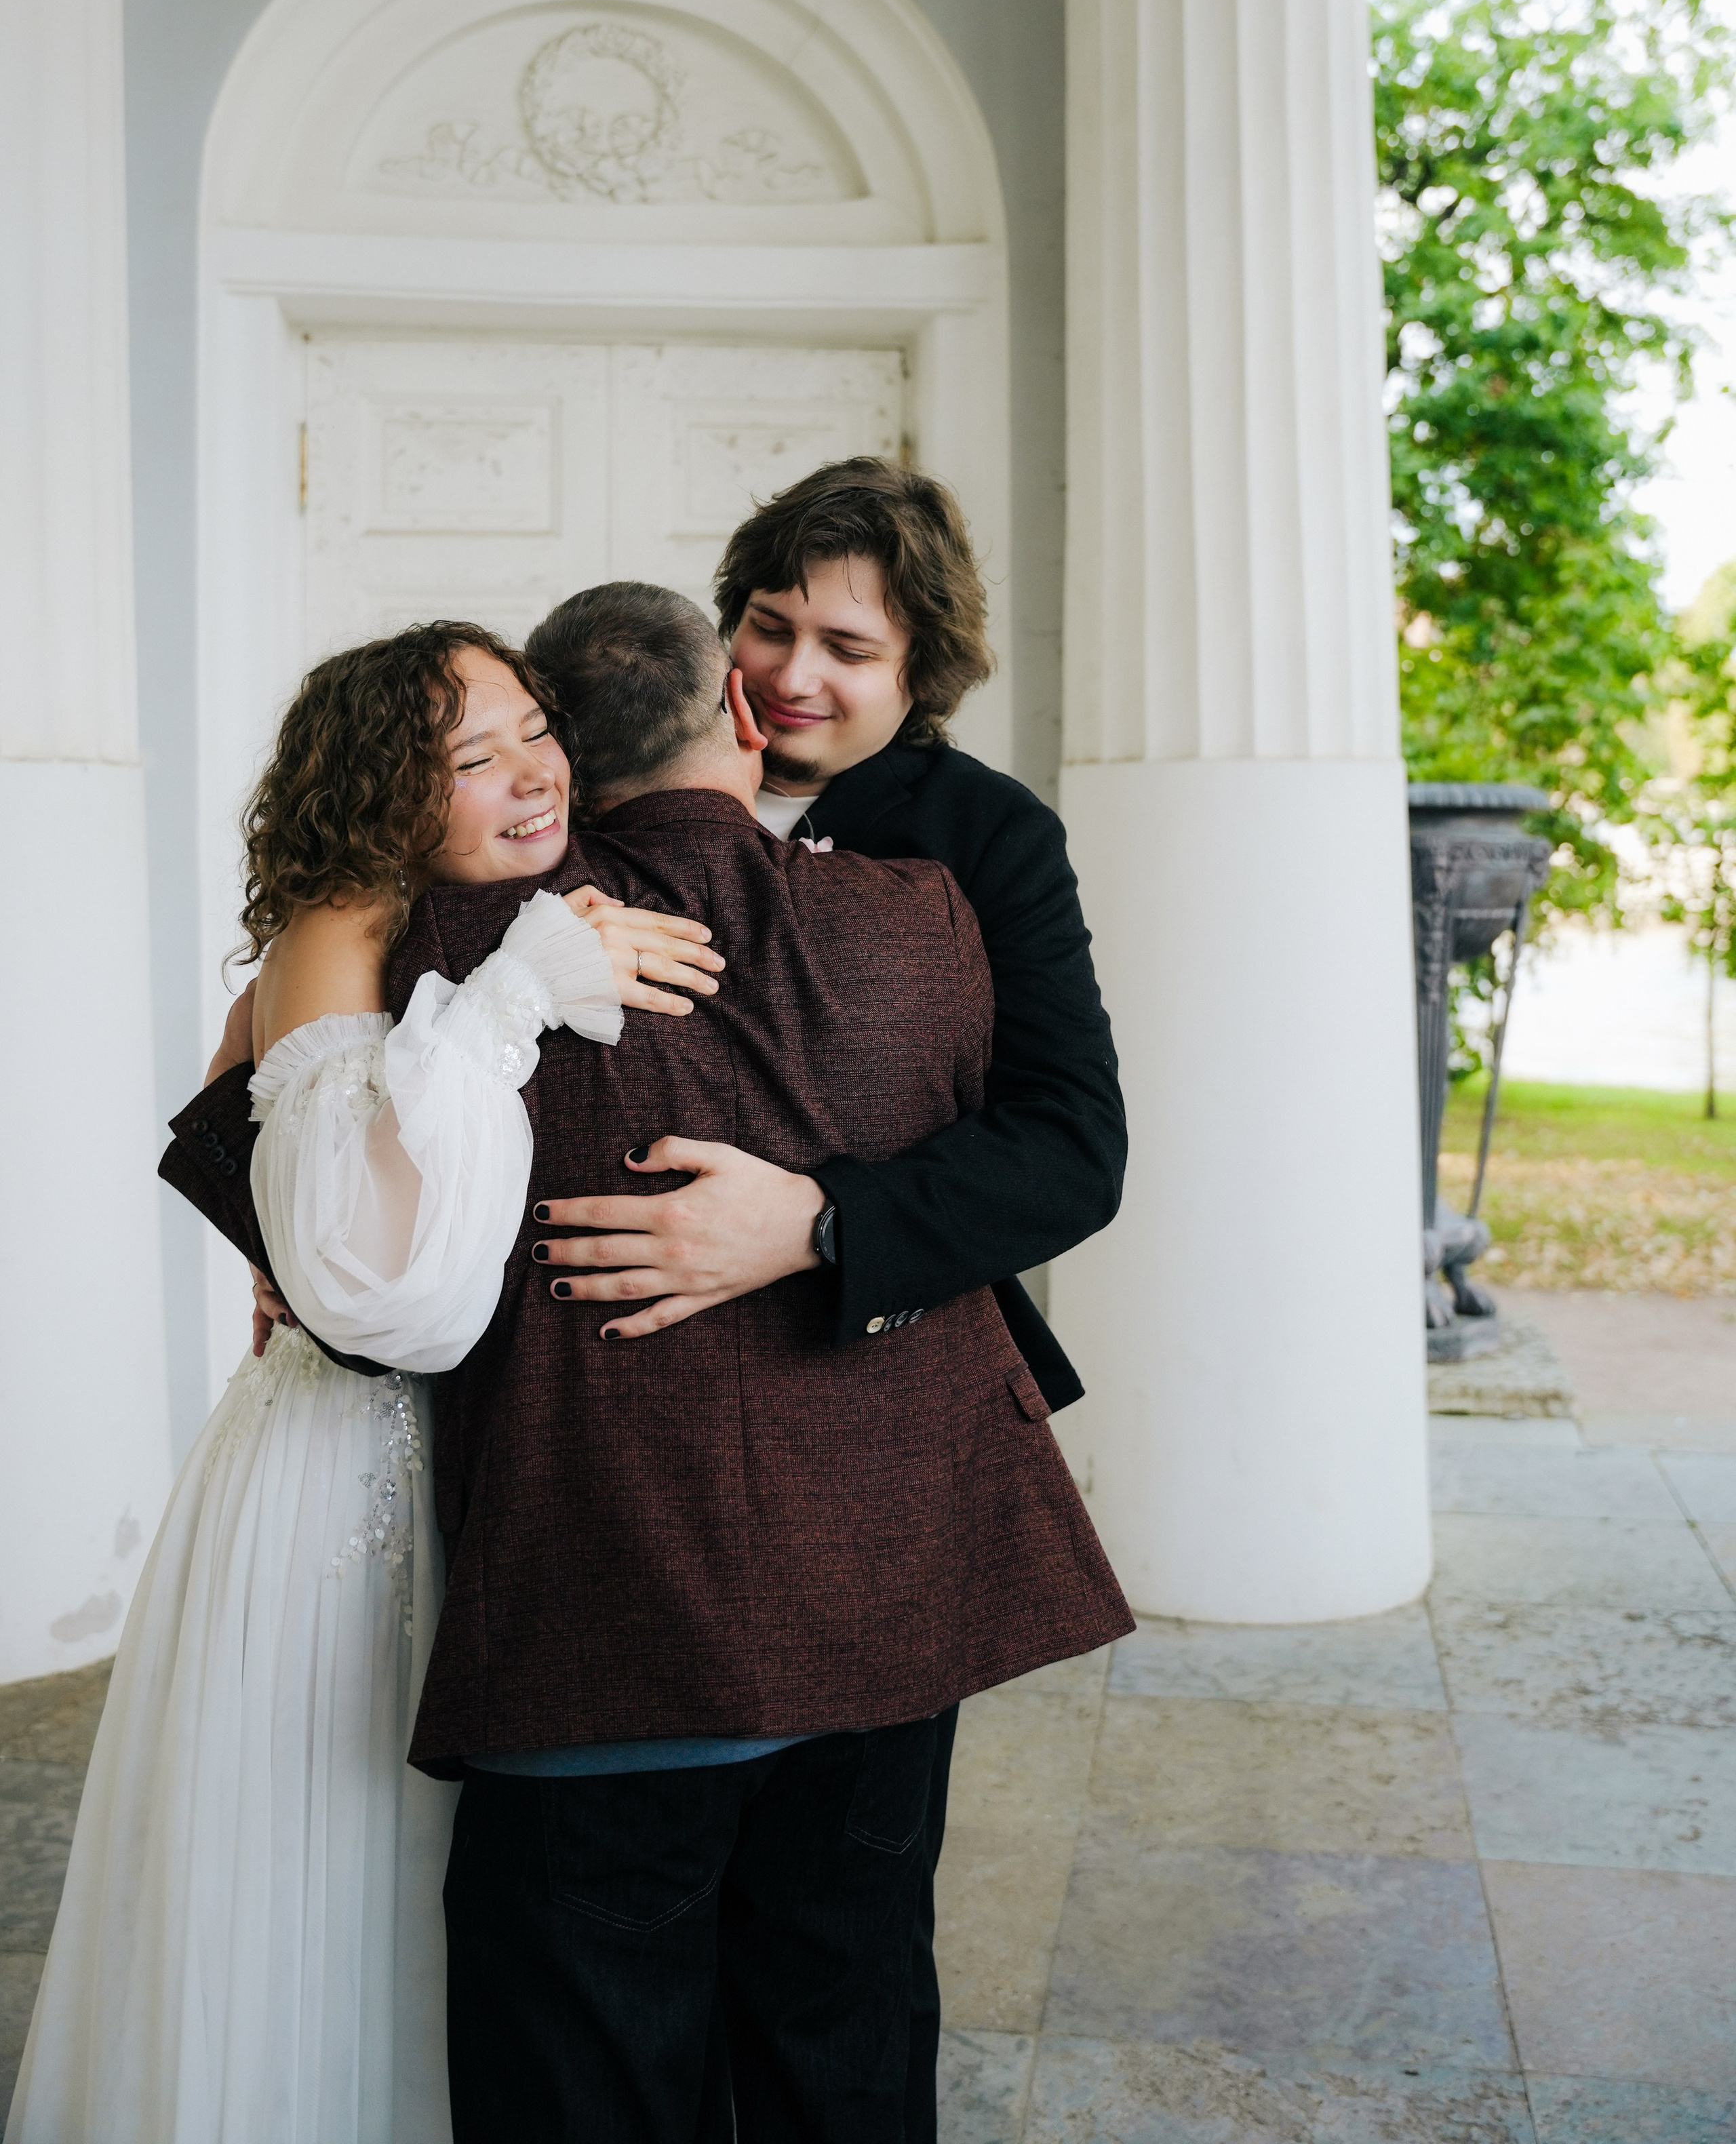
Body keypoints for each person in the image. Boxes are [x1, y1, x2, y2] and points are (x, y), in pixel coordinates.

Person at [166, 584, 1132, 2144]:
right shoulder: (923, 920)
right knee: (846, 2052)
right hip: (887, 1614)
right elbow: (1016, 1154)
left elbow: (277, 1156)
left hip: (605, 1639)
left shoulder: (441, 940)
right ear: (738, 716)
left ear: (565, 756)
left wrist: (284, 1232)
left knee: (590, 2085)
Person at [5, 623, 715, 2144]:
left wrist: (291, 1236)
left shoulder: (482, 906)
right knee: (330, 1860)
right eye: (474, 759)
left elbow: (254, 1144)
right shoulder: (347, 921)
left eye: (536, 730)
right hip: (348, 1472)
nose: (532, 774)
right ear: (390, 790)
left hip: (468, 1463)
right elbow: (387, 1298)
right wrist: (514, 998)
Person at [523, 458, 1126, 2136]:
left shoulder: (982, 840)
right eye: (771, 625)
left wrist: (812, 1226)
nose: (793, 675)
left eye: (847, 649)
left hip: (871, 1447)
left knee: (835, 1984)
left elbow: (1069, 1150)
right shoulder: (585, 794)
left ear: (922, 670)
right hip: (613, 1480)